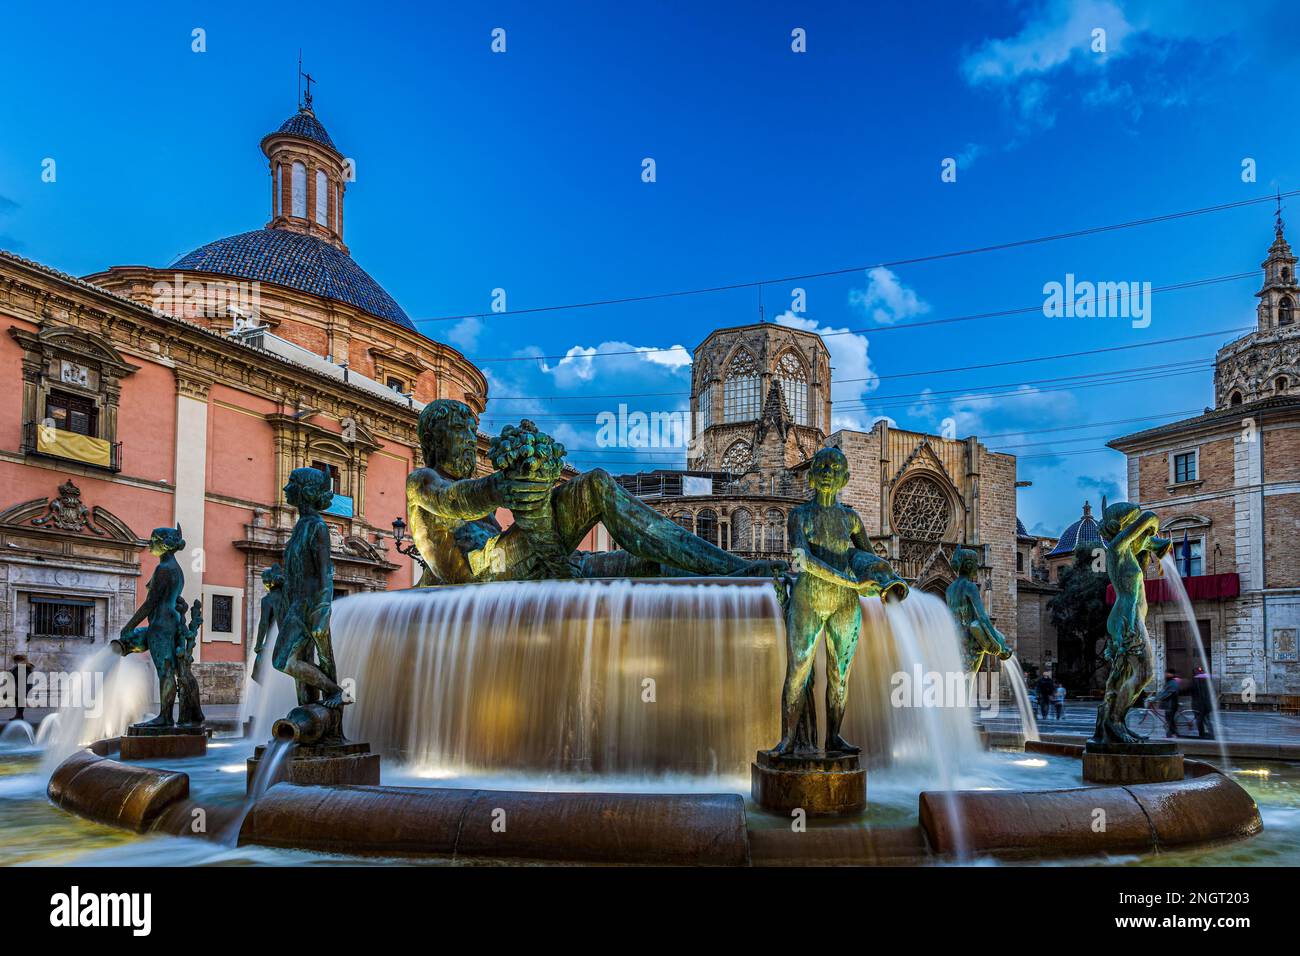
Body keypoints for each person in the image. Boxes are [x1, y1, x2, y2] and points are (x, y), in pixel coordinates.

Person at [6, 654, 34, 721]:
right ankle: (19, 715)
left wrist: (10, 673)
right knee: (18, 700)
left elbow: (18, 675)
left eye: (15, 661)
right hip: (23, 686)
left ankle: (19, 715)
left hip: (23, 686)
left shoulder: (22, 666)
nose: (14, 662)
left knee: (19, 700)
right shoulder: (25, 666)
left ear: (17, 660)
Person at [1192, 665, 1215, 739]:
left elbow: (1197, 694)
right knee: (1206, 720)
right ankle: (1211, 734)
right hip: (1206, 705)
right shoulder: (1207, 680)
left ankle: (1202, 734)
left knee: (1200, 720)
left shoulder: (1196, 681)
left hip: (1199, 705)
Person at [1156, 668, 1181, 737]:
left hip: (1171, 704)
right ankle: (1169, 734)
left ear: (1171, 674)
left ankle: (1176, 733)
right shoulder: (1170, 682)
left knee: (1169, 719)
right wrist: (1157, 697)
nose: (1165, 674)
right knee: (1169, 719)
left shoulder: (1172, 682)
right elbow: (1164, 692)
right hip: (1169, 704)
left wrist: (1158, 698)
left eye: (1167, 673)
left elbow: (1168, 693)